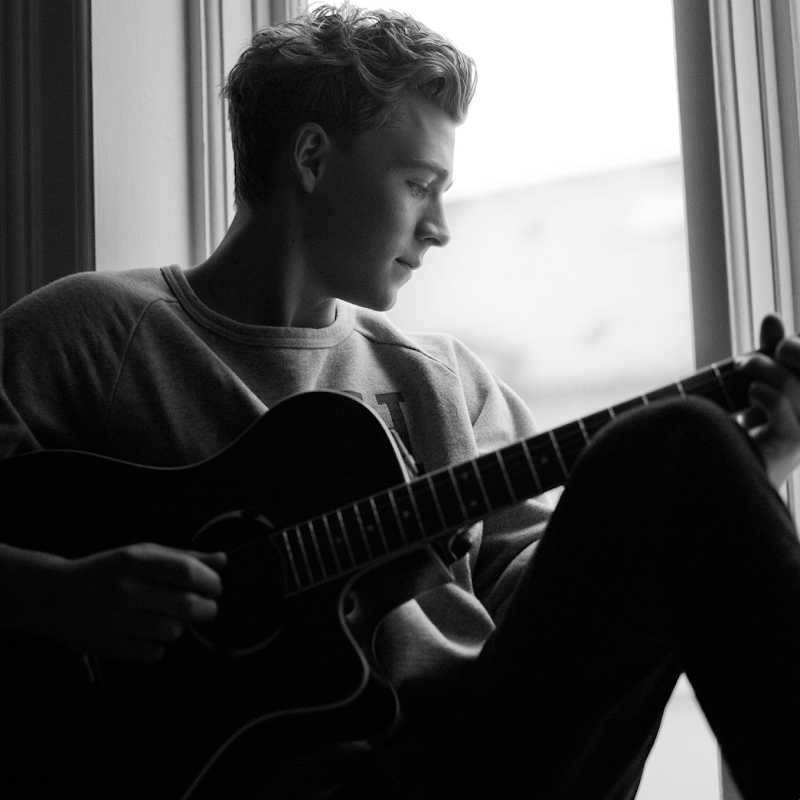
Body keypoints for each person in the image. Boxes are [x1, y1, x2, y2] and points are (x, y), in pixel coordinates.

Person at [0, 4, 798, 798]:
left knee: (676, 443)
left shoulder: (445, 380)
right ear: (312, 158)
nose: (440, 227)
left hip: (481, 766)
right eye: (420, 184)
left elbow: (569, 617)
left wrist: (748, 471)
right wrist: (51, 595)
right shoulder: (93, 336)